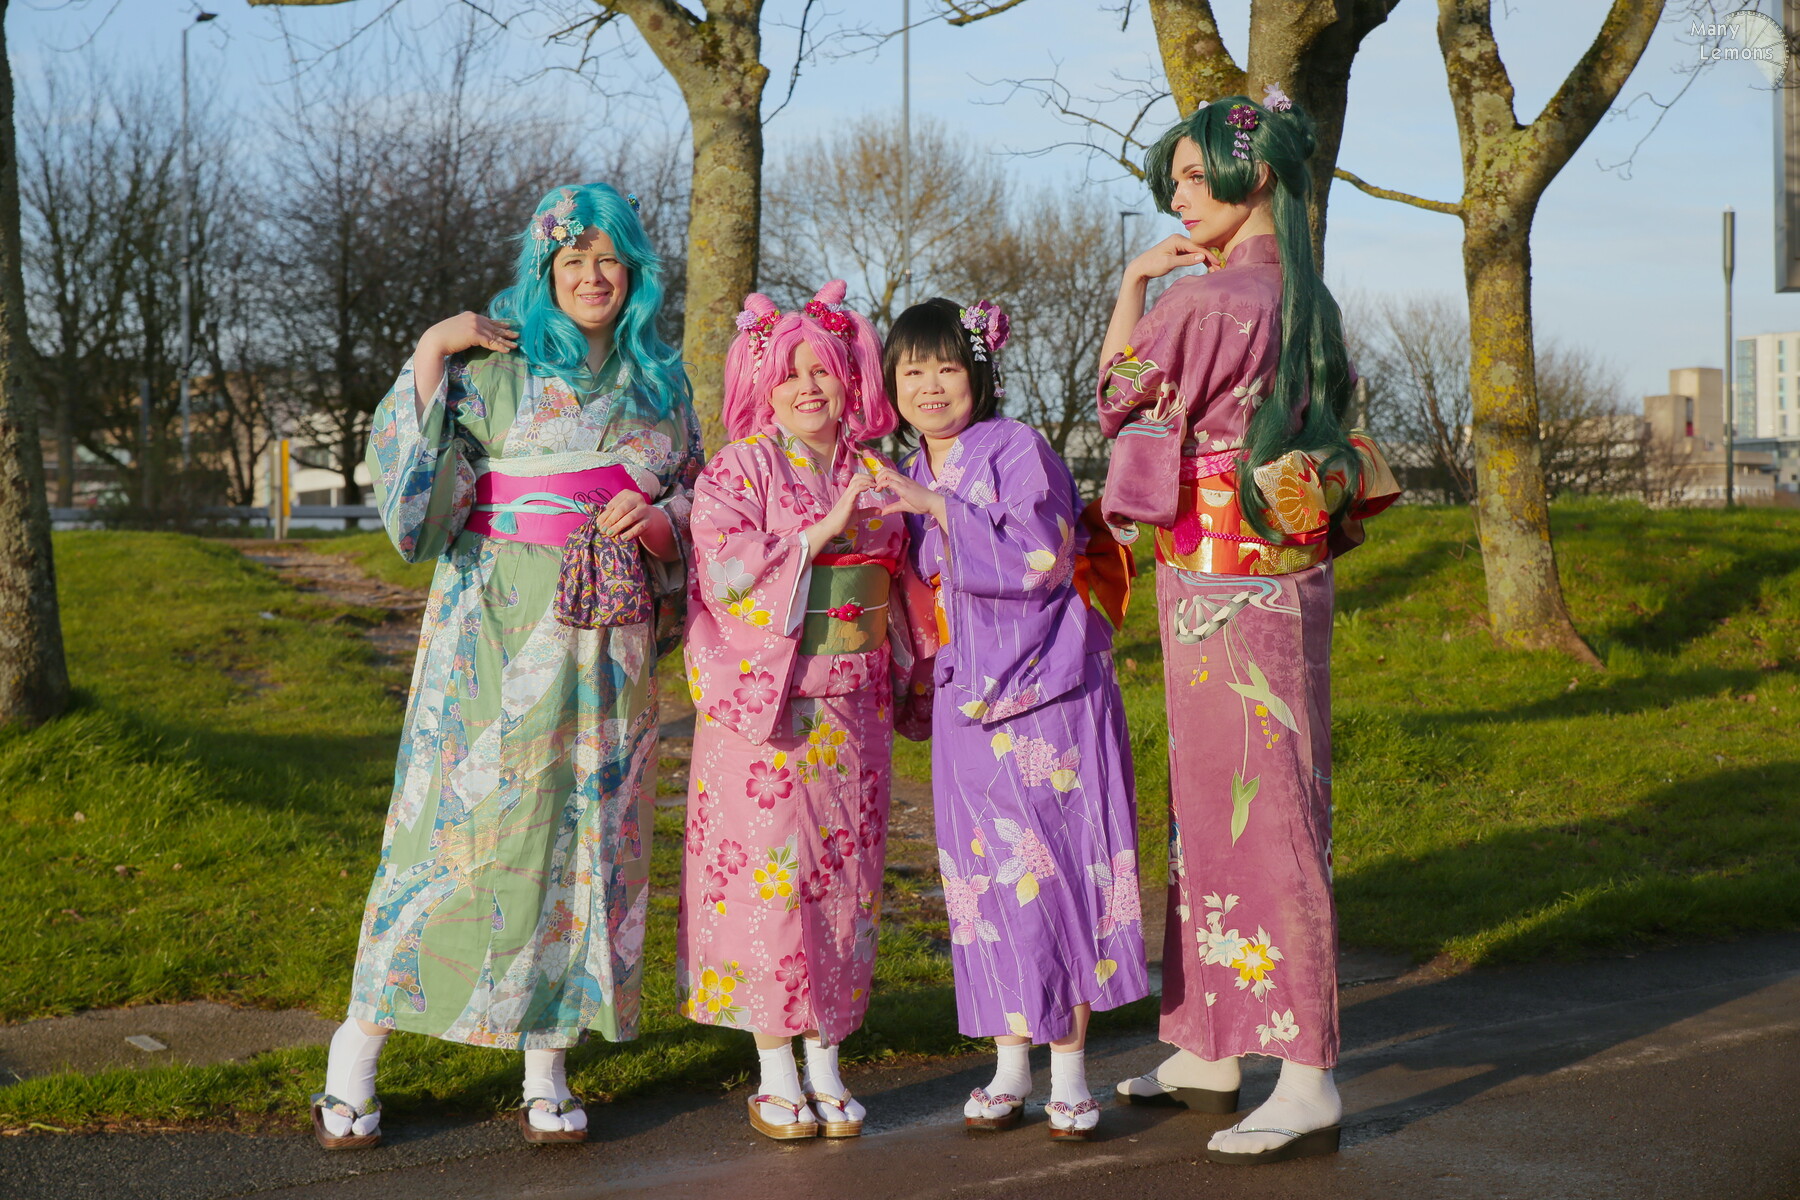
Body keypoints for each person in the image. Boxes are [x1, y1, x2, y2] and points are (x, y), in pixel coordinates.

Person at [312, 183, 702, 1149]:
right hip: (493, 626)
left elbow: (700, 499)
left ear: (636, 272)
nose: (592, 277)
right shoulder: (494, 368)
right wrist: (431, 352)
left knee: (583, 838)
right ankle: (355, 1055)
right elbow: (415, 511)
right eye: (573, 261)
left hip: (608, 644)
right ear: (544, 271)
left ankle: (546, 1064)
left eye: (609, 260)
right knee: (453, 833)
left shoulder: (662, 383)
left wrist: (661, 521)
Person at [1096, 89, 1400, 1166]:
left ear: (1254, 173)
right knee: (1238, 805)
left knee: (1255, 816)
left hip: (1216, 583)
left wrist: (1134, 284)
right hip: (1280, 576)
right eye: (1174, 181)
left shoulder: (1206, 298)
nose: (1179, 198)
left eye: (1193, 176)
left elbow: (1117, 396)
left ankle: (1307, 1074)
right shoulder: (1307, 301)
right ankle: (1207, 1047)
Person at [874, 297, 1146, 1142]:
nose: (929, 386)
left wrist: (935, 508)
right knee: (984, 880)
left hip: (1048, 692)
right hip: (967, 699)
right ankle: (1009, 1065)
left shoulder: (1017, 447)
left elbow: (1042, 553)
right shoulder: (907, 468)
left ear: (980, 374)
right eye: (912, 370)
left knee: (1058, 873)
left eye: (947, 368)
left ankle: (1070, 1071)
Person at [678, 282, 935, 1141]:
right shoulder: (738, 468)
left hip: (854, 708)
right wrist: (817, 537)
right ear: (763, 384)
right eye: (788, 374)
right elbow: (723, 572)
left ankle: (828, 1058)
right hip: (770, 711)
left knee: (845, 885)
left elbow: (909, 582)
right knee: (772, 886)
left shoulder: (875, 469)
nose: (807, 388)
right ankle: (775, 1067)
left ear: (849, 376)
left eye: (822, 370)